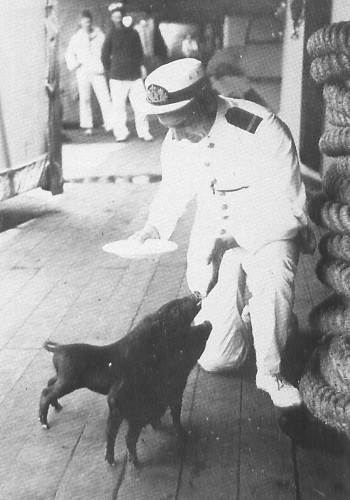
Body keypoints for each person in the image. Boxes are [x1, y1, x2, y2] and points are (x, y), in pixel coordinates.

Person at [131, 58, 315, 409]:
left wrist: (236, 238)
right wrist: (154, 226)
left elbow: (291, 210)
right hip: (213, 234)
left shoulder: (261, 127)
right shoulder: (177, 136)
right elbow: (173, 190)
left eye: (182, 125)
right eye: (168, 127)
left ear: (203, 102)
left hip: (268, 230)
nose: (176, 136)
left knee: (274, 277)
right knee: (219, 358)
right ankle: (260, 318)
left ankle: (272, 373)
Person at [101, 2, 153, 142]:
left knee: (141, 106)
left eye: (120, 16)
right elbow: (104, 56)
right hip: (117, 77)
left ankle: (144, 132)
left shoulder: (134, 33)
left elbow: (140, 52)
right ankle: (121, 133)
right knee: (118, 107)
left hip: (135, 76)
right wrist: (111, 70)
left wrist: (142, 66)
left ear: (124, 17)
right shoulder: (110, 35)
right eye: (115, 17)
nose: (118, 19)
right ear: (112, 19)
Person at [65, 9, 113, 135]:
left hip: (97, 71)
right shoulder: (76, 38)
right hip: (83, 72)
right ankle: (87, 126)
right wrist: (76, 64)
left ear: (91, 22)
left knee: (104, 97)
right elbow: (69, 54)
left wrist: (104, 64)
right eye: (84, 22)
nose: (87, 24)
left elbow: (106, 51)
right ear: (81, 23)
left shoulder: (99, 35)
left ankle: (110, 123)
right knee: (85, 99)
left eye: (88, 21)